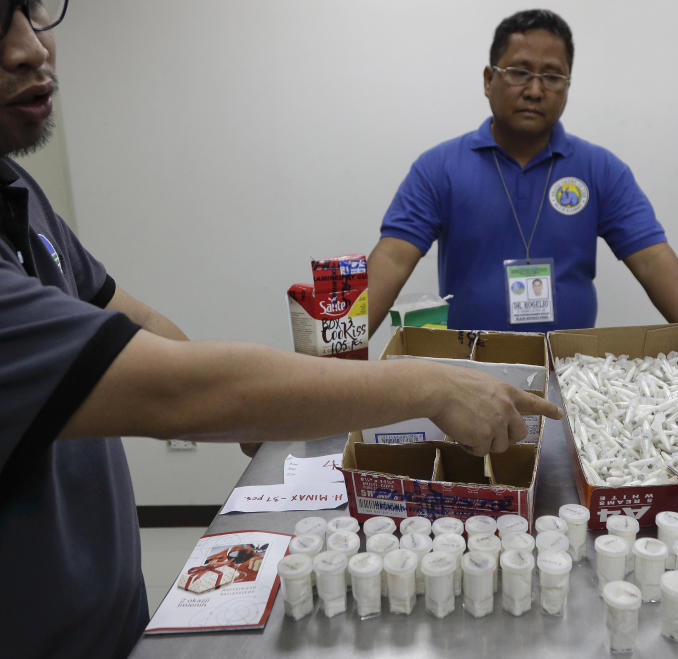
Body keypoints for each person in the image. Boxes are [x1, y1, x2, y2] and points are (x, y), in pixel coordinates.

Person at [0, 4, 561, 658]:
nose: (30, 49)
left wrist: (254, 412)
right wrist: (428, 386)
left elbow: (137, 322)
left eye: (32, 12)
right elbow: (171, 393)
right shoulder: (444, 166)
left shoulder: (19, 192)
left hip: (109, 619)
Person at [367, 9, 678, 337]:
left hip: (571, 375)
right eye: (519, 73)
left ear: (567, 87)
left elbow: (653, 259)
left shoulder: (600, 169)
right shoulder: (439, 168)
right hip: (468, 374)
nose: (535, 91)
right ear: (489, 80)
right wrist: (335, 365)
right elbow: (393, 258)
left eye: (552, 76)